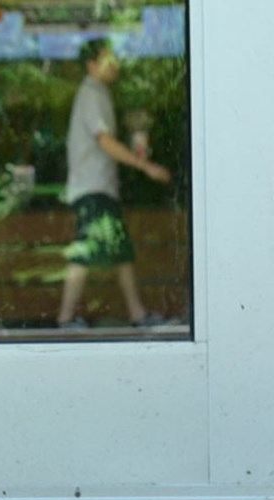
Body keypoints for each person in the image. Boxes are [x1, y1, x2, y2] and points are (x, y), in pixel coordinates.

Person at [57, 37, 172, 329]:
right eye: (108, 59)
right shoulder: (92, 93)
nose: (115, 65)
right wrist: (146, 166)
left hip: (98, 188)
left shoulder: (99, 93)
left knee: (116, 252)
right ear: (91, 65)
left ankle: (136, 315)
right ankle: (67, 318)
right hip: (93, 188)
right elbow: (105, 141)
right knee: (87, 254)